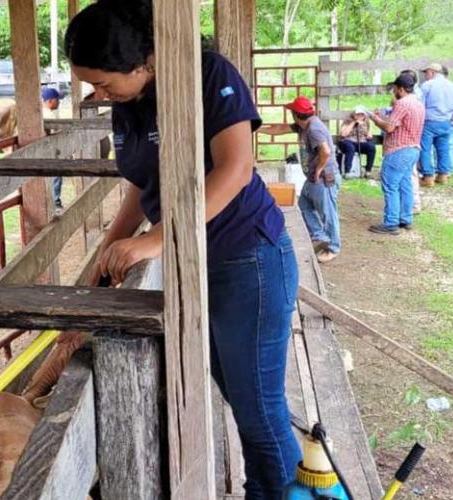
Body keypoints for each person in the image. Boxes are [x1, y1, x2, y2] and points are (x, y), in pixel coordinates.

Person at [65, 2, 301, 498]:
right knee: (237, 392)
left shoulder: (209, 74)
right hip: (193, 263)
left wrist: (157, 239)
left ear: (145, 62)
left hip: (247, 256)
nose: (98, 94)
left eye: (104, 83)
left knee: (258, 405)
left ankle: (275, 492)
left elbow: (234, 169)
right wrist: (104, 257)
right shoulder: (128, 103)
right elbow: (141, 186)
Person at [258, 96, 341, 264]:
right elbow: (280, 128)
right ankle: (319, 236)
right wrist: (258, 129)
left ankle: (333, 247)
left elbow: (325, 151)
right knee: (304, 205)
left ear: (296, 114)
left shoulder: (313, 129)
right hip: (313, 178)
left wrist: (318, 170)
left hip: (324, 178)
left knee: (328, 213)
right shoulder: (304, 125)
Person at [368, 73, 425, 235]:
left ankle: (391, 222)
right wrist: (383, 117)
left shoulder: (401, 104)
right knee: (405, 184)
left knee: (391, 186)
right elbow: (397, 122)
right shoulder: (418, 103)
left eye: (394, 88)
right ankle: (405, 218)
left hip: (398, 149)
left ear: (400, 89)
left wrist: (374, 119)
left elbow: (389, 128)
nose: (393, 91)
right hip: (413, 148)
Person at [418, 63, 453, 185]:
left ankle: (428, 176)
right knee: (443, 148)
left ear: (432, 72)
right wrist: (452, 120)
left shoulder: (427, 85)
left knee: (425, 149)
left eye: (426, 72)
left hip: (429, 121)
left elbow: (421, 105)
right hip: (446, 122)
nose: (425, 75)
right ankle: (443, 175)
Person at [42, 87, 64, 212]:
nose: (59, 102)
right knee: (55, 175)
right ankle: (55, 203)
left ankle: (54, 202)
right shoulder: (48, 115)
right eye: (57, 100)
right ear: (50, 101)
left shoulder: (46, 113)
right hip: (50, 151)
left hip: (50, 150)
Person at [337, 105, 376, 178]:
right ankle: (347, 171)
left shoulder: (366, 122)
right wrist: (354, 123)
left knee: (371, 147)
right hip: (348, 141)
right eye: (358, 114)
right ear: (354, 114)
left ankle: (368, 170)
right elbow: (343, 134)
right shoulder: (348, 121)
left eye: (362, 114)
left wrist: (369, 134)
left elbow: (369, 133)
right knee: (350, 147)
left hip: (361, 142)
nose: (360, 116)